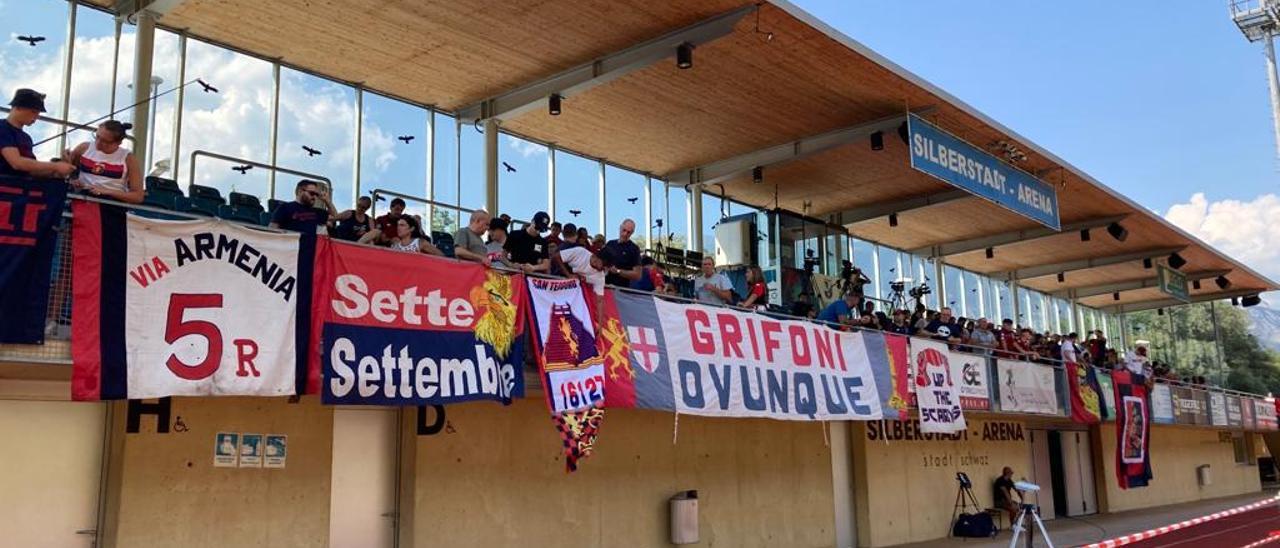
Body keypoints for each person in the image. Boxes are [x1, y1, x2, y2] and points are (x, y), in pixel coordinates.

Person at [63, 120, 144, 203]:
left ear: (118, 142)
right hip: (83, 198)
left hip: (110, 203)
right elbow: (70, 173)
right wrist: (72, 177)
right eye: (97, 137)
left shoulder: (128, 158)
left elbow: (137, 196)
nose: (98, 143)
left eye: (106, 142)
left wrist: (106, 191)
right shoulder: (84, 148)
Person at [1, 88, 75, 178]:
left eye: (38, 113)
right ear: (18, 107)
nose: (36, 117)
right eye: (33, 111)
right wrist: (55, 166)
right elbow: (17, 163)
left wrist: (58, 170)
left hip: (20, 188)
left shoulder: (26, 138)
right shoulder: (2, 127)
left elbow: (31, 171)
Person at [270, 179, 336, 234]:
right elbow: (272, 229)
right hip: (291, 245)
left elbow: (335, 217)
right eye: (312, 193)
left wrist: (327, 201)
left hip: (311, 247)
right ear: (300, 191)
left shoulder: (317, 212)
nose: (314, 197)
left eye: (316, 194)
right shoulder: (285, 208)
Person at [603, 219, 643, 287]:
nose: (625, 234)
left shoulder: (634, 249)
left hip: (621, 290)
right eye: (624, 230)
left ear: (632, 233)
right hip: (604, 285)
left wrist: (618, 271)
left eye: (628, 232)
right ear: (620, 227)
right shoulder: (610, 244)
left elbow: (637, 275)